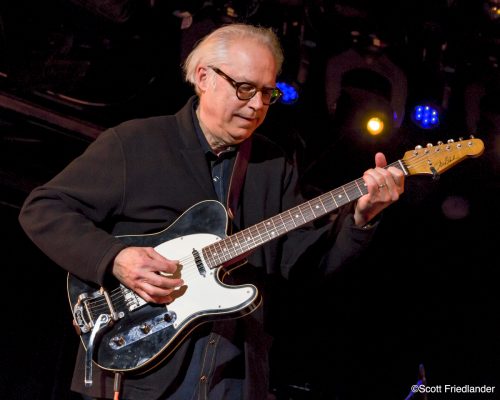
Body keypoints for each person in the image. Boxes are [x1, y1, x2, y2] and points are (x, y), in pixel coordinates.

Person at [18, 23, 405, 400]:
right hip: (138, 375)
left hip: (231, 378)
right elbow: (43, 208)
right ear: (204, 77)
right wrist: (115, 259)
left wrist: (361, 219)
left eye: (267, 93)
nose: (257, 105)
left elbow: (302, 264)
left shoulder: (274, 164)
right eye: (245, 88)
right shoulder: (136, 142)